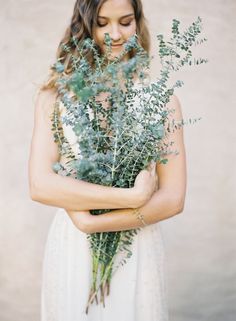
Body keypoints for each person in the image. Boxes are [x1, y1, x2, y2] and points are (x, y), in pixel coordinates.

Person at [28, 0, 186, 320]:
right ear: (86, 26)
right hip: (74, 246)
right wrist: (132, 196)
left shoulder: (163, 102)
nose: (115, 33)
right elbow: (40, 185)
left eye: (125, 22)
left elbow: (172, 199)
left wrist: (94, 222)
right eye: (102, 23)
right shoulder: (56, 97)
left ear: (138, 24)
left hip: (135, 244)